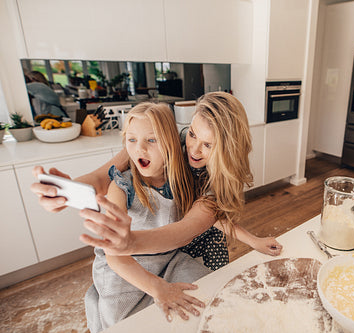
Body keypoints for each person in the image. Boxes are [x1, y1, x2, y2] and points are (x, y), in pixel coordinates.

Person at [31, 93, 282, 320]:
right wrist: (64, 191)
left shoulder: (213, 185)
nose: (193, 149)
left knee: (205, 304)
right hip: (151, 249)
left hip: (185, 241)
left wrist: (130, 243)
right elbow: (103, 177)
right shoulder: (164, 147)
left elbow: (189, 227)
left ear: (227, 150)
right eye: (192, 134)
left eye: (208, 145)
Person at [84, 102, 213, 332]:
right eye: (131, 140)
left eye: (151, 140)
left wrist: (252, 239)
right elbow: (114, 256)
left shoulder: (182, 177)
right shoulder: (121, 186)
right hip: (123, 268)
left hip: (169, 259)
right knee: (124, 324)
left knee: (208, 292)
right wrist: (157, 288)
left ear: (171, 144)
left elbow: (215, 213)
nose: (139, 149)